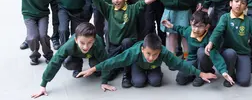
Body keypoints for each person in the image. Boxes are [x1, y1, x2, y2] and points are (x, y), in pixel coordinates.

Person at [75, 0, 173, 88]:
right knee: (107, 73)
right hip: (114, 46)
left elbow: (147, 1)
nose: (116, 0)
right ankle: (118, 67)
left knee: (127, 42)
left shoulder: (132, 9)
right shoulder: (109, 9)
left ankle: (126, 74)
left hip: (128, 46)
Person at [76, 33, 217, 88]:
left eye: (155, 55)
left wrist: (201, 74)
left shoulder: (164, 53)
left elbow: (180, 64)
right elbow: (114, 61)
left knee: (156, 82)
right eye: (148, 53)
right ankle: (130, 71)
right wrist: (93, 69)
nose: (151, 57)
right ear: (143, 49)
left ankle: (156, 71)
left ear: (160, 51)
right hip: (138, 65)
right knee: (138, 83)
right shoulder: (135, 51)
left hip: (153, 68)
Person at [31, 23, 114, 99]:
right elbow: (54, 62)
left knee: (95, 64)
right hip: (76, 55)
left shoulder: (98, 44)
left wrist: (104, 81)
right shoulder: (69, 45)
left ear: (94, 40)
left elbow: (105, 62)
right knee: (68, 63)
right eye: (82, 43)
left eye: (89, 42)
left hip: (93, 55)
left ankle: (95, 69)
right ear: (76, 40)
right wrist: (43, 84)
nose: (85, 47)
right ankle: (78, 66)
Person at [0, 0, 56, 65]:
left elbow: (55, 3)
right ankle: (34, 55)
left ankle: (48, 55)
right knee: (32, 37)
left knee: (43, 35)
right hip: (28, 14)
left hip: (42, 15)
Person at [161, 10, 217, 87]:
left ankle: (202, 74)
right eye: (194, 26)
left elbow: (216, 54)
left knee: (201, 51)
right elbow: (181, 29)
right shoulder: (189, 31)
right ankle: (199, 72)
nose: (196, 29)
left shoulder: (210, 37)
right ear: (191, 24)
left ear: (207, 27)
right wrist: (171, 26)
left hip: (205, 60)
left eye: (200, 26)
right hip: (192, 60)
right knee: (180, 79)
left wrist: (223, 70)